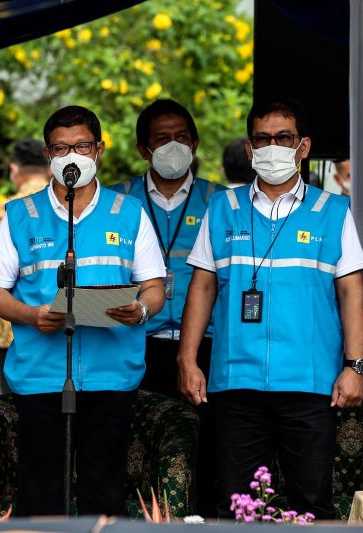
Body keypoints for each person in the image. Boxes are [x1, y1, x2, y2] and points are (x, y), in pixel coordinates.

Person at [177, 97, 363, 518]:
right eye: (263, 139)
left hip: (309, 382)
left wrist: (355, 367)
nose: (272, 147)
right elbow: (203, 287)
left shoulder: (333, 211)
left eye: (283, 138)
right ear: (249, 149)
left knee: (311, 503)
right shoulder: (222, 208)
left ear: (303, 147)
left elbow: (352, 292)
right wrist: (188, 359)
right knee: (235, 504)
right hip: (236, 381)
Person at [0, 105, 166, 516]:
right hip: (41, 377)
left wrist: (141, 310)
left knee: (104, 494)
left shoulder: (130, 213)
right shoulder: (21, 215)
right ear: (48, 156)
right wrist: (31, 315)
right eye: (61, 148)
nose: (72, 155)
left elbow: (155, 286)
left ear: (98, 150)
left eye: (81, 145)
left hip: (111, 376)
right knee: (41, 496)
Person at [111, 99, 225, 396]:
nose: (173, 146)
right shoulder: (116, 203)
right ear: (142, 149)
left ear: (195, 144)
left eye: (181, 137)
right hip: (135, 342)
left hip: (207, 344)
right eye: (162, 139)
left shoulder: (222, 201)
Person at [0, 139, 50, 394]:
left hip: (8, 329)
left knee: (14, 407)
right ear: (50, 168)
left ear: (14, 169)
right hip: (58, 322)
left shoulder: (1, 211)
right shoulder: (63, 209)